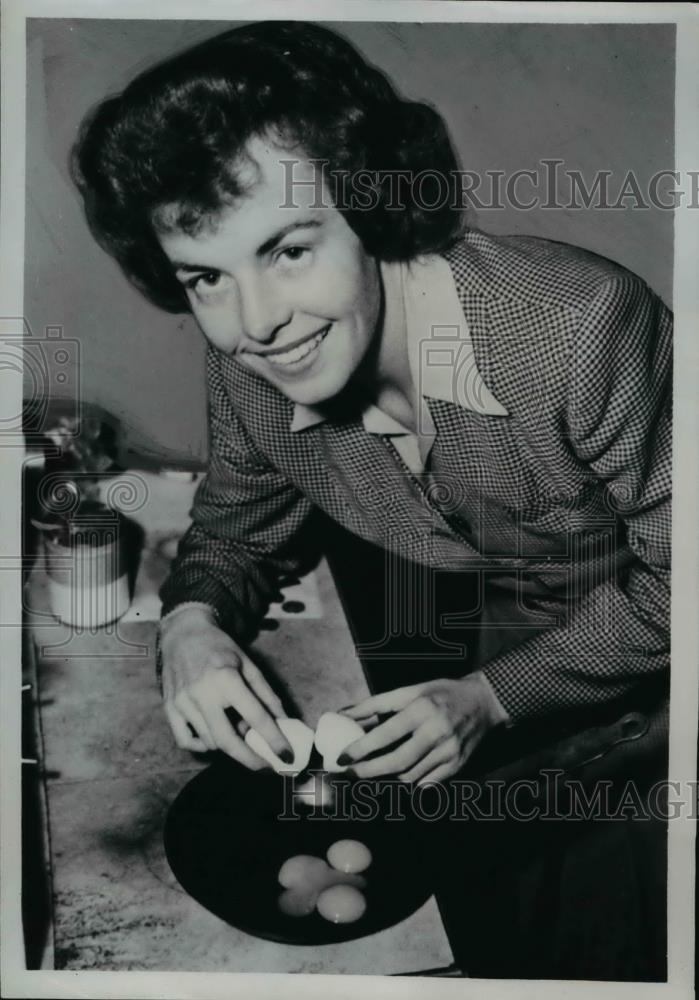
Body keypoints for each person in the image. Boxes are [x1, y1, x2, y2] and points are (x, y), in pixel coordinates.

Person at [72, 21, 672, 978]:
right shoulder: (254, 367)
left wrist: (490, 698)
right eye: (206, 277)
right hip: (476, 632)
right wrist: (189, 627)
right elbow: (235, 529)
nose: (253, 324)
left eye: (288, 249)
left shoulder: (578, 329)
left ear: (372, 208)